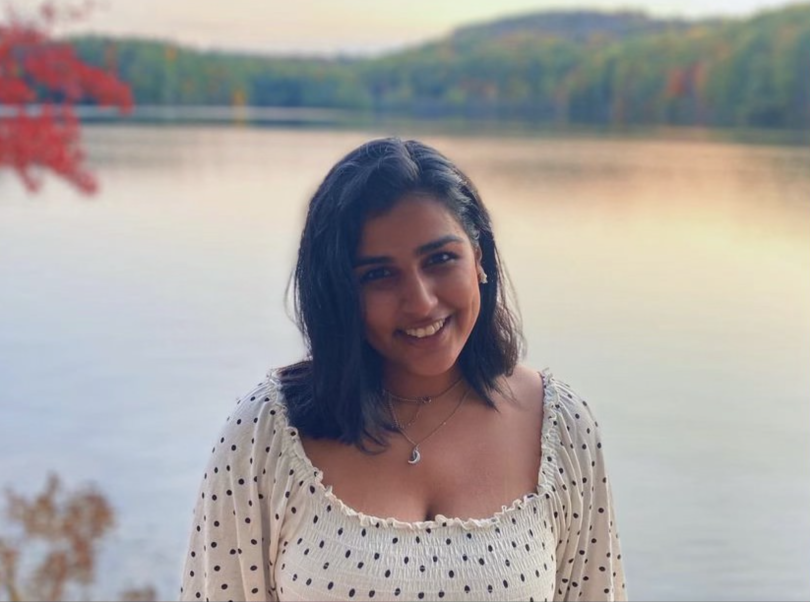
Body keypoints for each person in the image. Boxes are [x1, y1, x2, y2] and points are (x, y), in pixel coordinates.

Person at [180, 137, 626, 602]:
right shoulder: (265, 434)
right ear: (339, 293)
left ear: (480, 258)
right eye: (378, 275)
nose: (421, 301)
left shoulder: (562, 431)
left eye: (440, 260)